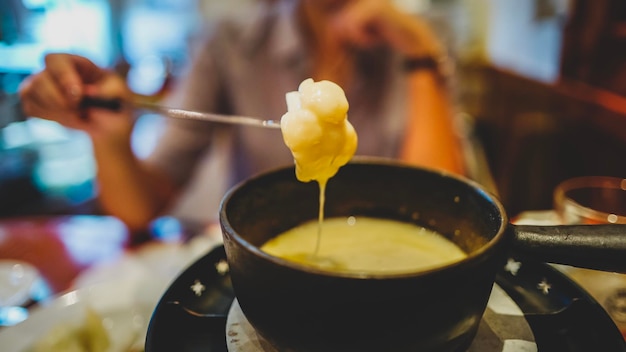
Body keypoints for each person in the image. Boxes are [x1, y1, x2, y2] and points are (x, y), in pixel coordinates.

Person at [18, 0, 466, 233]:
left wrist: (420, 53)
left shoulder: (413, 40)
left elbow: (443, 207)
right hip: (266, 264)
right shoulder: (232, 44)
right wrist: (110, 138)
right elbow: (141, 208)